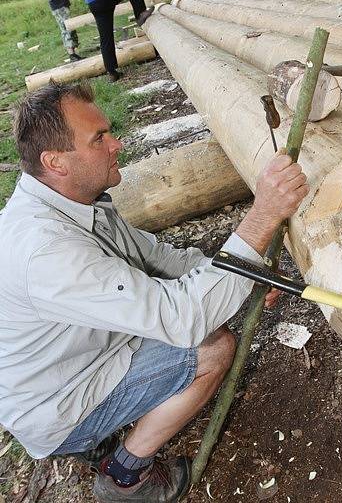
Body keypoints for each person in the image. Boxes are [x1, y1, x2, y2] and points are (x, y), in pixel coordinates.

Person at [0, 81, 308, 503]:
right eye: (99, 138)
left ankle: (107, 438)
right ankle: (125, 474)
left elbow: (161, 258)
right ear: (56, 162)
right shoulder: (48, 250)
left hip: (84, 356)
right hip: (58, 405)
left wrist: (244, 270)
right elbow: (182, 319)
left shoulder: (76, 203)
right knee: (213, 347)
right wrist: (259, 220)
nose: (117, 143)